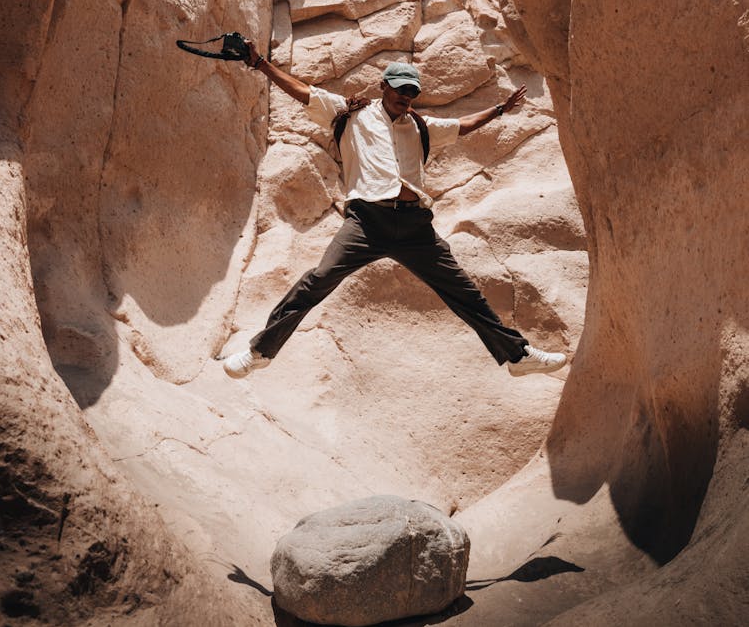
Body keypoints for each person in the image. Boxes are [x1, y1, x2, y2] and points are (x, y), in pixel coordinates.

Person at [221, 46, 567, 380]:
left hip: (414, 226)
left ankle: (517, 357)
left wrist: (499, 110)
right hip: (367, 222)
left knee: (464, 292)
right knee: (318, 280)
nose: (406, 97)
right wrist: (260, 63)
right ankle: (260, 351)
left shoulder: (418, 125)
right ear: (383, 86)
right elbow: (304, 93)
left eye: (412, 92)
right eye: (400, 89)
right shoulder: (351, 112)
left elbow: (461, 126)